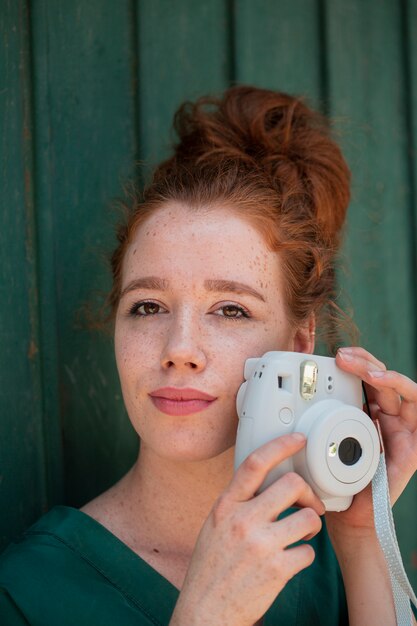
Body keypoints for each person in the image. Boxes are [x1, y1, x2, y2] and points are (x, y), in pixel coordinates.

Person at [1, 85, 416, 626]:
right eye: (147, 306)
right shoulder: (30, 591)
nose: (179, 351)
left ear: (297, 344)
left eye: (231, 310)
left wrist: (363, 535)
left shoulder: (327, 553)